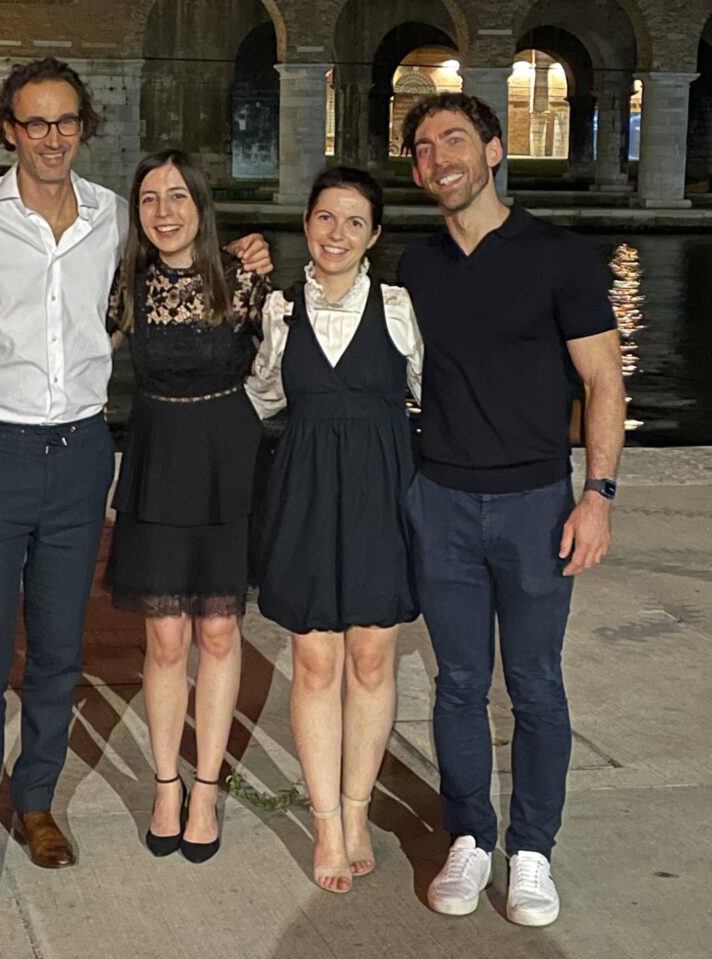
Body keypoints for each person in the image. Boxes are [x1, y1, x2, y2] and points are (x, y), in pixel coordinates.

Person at [0, 57, 271, 891]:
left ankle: (35, 801)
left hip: (80, 452)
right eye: (36, 122)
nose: (52, 137)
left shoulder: (114, 216)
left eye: (66, 121)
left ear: (82, 128)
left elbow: (180, 260)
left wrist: (247, 246)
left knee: (60, 649)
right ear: (10, 130)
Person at [398, 92, 625, 926]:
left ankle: (531, 850)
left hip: (535, 504)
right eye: (423, 147)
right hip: (441, 501)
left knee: (534, 683)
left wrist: (597, 495)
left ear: (495, 151)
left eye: (455, 138)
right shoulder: (415, 267)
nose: (439, 157)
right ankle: (470, 835)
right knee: (458, 682)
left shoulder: (559, 256)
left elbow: (604, 380)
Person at [246, 166, 422, 893]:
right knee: (315, 664)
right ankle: (325, 823)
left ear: (374, 235)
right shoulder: (280, 310)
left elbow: (434, 392)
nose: (337, 233)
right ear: (306, 224)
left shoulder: (401, 308)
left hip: (381, 493)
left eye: (355, 221)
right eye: (325, 217)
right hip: (307, 494)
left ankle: (357, 812)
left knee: (373, 662)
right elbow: (260, 396)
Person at [105, 149, 269, 863]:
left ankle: (207, 788)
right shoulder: (126, 286)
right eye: (149, 198)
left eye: (178, 196)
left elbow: (288, 360)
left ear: (201, 205)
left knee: (221, 632)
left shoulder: (244, 278)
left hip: (227, 461)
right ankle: (166, 785)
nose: (164, 211)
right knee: (166, 639)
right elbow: (67, 349)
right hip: (157, 460)